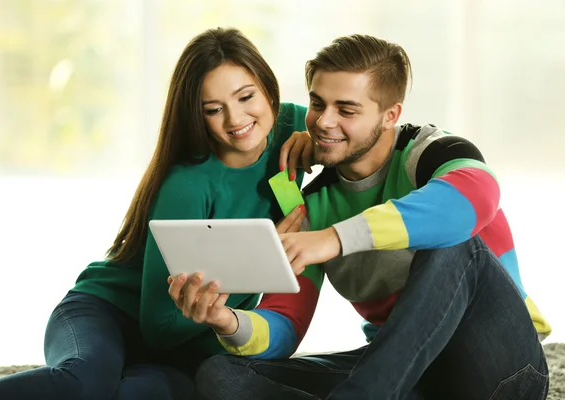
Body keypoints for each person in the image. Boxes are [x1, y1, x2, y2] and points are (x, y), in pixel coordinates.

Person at [0, 27, 323, 400]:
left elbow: (365, 137)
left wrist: (315, 141)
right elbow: (158, 328)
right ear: (197, 115)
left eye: (246, 96)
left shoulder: (294, 125)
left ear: (268, 87)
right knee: (85, 383)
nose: (236, 119)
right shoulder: (189, 184)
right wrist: (255, 260)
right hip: (110, 315)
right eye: (213, 109)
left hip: (190, 349)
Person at [195, 34, 551, 400]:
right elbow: (285, 323)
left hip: (501, 370)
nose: (323, 122)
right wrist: (228, 321)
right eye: (318, 104)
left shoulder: (431, 155)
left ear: (390, 116)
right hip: (405, 375)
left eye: (346, 110)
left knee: (452, 242)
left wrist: (334, 239)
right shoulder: (313, 208)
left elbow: (477, 193)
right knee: (223, 374)